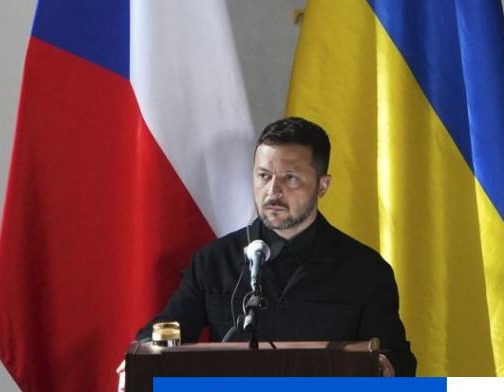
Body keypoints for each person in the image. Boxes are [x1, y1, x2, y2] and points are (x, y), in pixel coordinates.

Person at [137, 117, 416, 376]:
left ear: (322, 186)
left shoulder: (365, 270)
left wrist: (385, 365)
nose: (272, 191)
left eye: (290, 178)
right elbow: (167, 330)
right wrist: (144, 355)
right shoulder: (214, 261)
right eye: (264, 175)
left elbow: (397, 360)